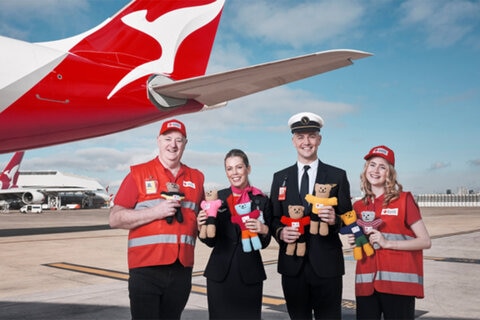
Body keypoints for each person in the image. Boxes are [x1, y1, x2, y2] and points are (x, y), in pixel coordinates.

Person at [109, 118, 204, 320]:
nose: (173, 145)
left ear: (185, 144)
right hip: (145, 269)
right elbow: (115, 219)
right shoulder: (138, 174)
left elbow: (200, 219)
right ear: (158, 141)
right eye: (168, 138)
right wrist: (155, 212)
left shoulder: (197, 178)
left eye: (179, 140)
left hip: (181, 269)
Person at [269, 112, 353, 319]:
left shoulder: (337, 175)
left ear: (319, 139)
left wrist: (336, 220)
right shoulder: (280, 177)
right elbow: (273, 217)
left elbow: (349, 218)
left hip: (327, 265)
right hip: (292, 267)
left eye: (311, 136)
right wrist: (280, 232)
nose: (306, 142)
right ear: (293, 141)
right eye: (300, 137)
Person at [351, 145, 431, 320]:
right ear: (366, 169)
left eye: (382, 166)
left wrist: (387, 243)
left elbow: (425, 241)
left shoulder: (404, 200)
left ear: (390, 173)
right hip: (366, 283)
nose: (376, 170)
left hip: (398, 285)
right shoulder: (358, 206)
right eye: (372, 165)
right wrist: (356, 239)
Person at [197, 149, 272, 320]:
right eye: (229, 169)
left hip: (250, 273)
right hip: (220, 272)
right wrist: (201, 225)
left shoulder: (261, 199)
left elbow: (265, 242)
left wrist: (264, 229)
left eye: (239, 167)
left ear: (248, 169)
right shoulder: (218, 198)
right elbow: (210, 241)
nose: (234, 173)